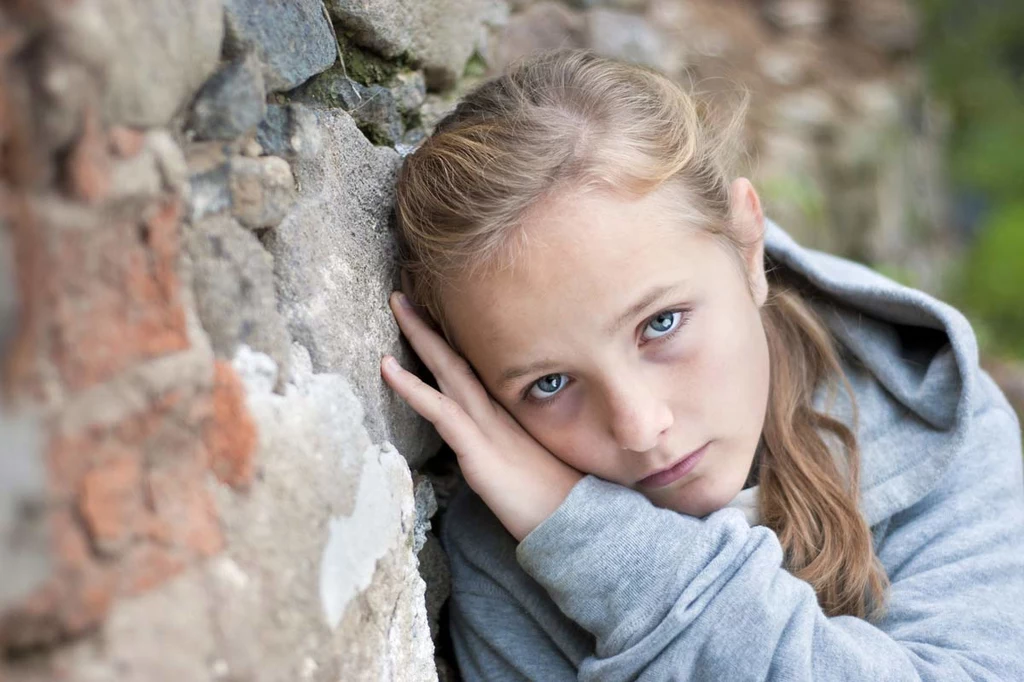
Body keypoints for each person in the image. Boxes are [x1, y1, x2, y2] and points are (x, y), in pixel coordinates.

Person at [379, 48, 1024, 680]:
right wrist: (576, 537)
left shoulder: (934, 418)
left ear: (747, 246)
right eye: (549, 384)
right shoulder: (501, 558)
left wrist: (606, 552)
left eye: (660, 324)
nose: (638, 426)